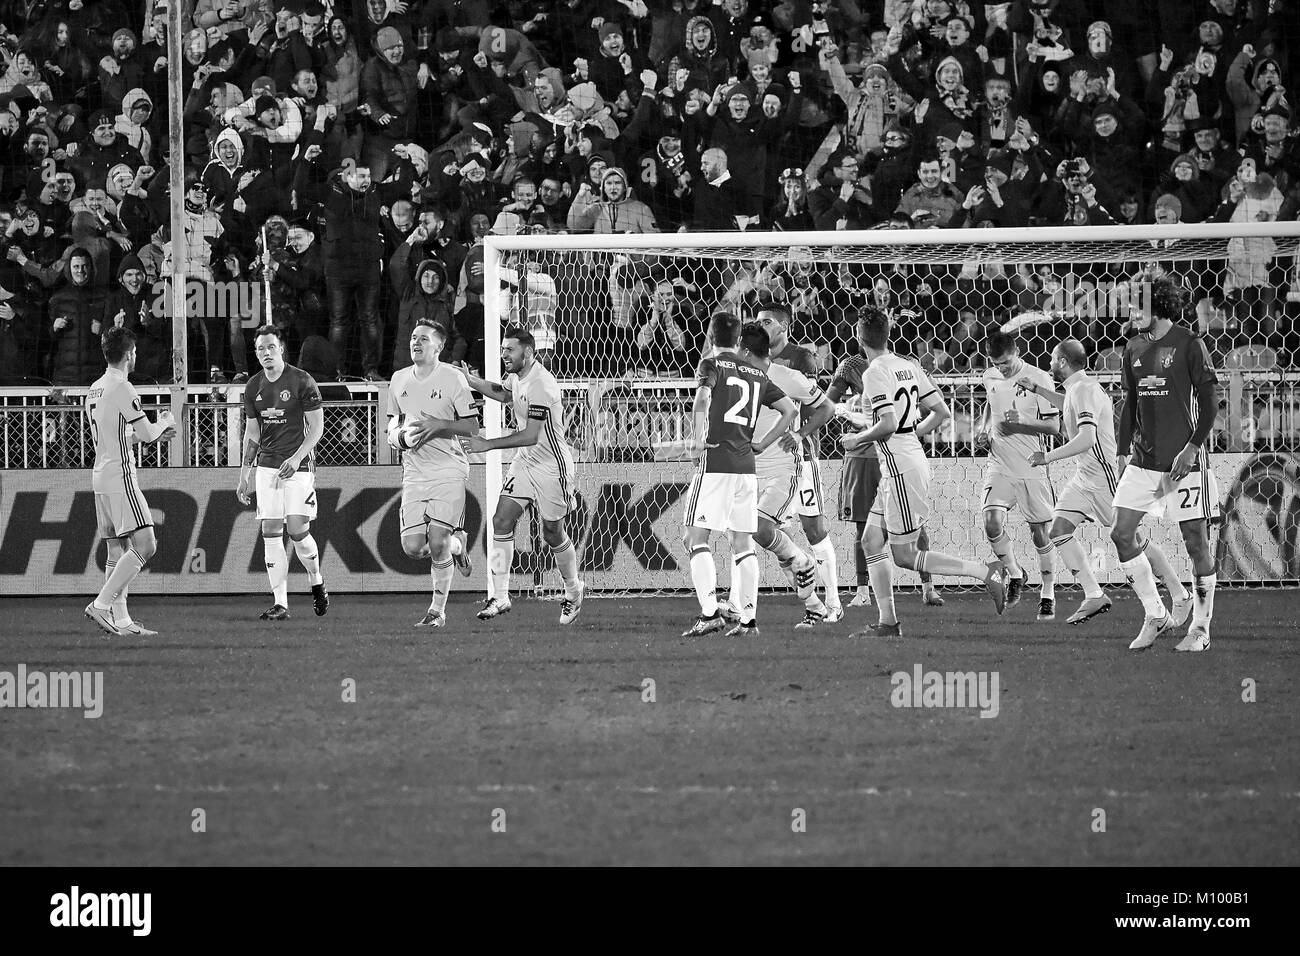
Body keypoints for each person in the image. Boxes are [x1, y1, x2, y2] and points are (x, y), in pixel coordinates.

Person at [842, 308, 1007, 638]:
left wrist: (856, 438)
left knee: (904, 555)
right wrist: (911, 434)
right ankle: (888, 622)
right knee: (871, 540)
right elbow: (941, 412)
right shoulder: (908, 366)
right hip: (902, 462)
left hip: (901, 467)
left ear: (860, 338)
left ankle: (986, 572)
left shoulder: (875, 371)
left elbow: (887, 424)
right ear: (888, 334)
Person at [1025, 338, 1192, 628]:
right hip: (1084, 477)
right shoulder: (1078, 391)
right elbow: (1068, 408)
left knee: (1131, 539)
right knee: (1059, 530)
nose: (1049, 364)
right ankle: (1093, 594)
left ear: (1063, 362)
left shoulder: (1086, 390)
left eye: (1053, 359)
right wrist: (1038, 390)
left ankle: (1179, 593)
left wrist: (1047, 457)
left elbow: (1087, 438)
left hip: (1102, 477)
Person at [1110, 271, 1219, 652]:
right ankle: (1156, 613)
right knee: (1121, 533)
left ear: (1158, 304)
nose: (1129, 309)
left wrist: (1192, 447)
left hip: (1183, 461)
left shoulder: (1189, 344)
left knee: (1195, 543)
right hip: (1143, 460)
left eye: (1136, 303)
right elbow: (1129, 404)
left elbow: (1210, 404)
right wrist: (1123, 451)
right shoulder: (1133, 347)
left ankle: (1201, 629)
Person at [680, 315, 798, 638]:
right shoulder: (758, 374)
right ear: (738, 342)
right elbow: (790, 410)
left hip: (715, 461)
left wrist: (697, 437)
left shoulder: (710, 365)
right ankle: (748, 622)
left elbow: (702, 399)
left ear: (711, 336)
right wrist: (762, 442)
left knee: (694, 538)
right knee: (742, 544)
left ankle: (709, 614)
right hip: (747, 468)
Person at [462, 327, 585, 625]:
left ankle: (573, 590)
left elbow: (530, 435)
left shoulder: (542, 384)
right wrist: (472, 381)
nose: (504, 354)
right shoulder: (518, 376)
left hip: (552, 467)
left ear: (527, 353)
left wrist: (488, 445)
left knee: (552, 533)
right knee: (501, 520)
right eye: (503, 349)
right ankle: (501, 595)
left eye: (510, 350)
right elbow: (505, 394)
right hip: (525, 463)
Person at [826, 350, 944, 610]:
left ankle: (931, 587)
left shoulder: (895, 370)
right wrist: (842, 411)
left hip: (890, 458)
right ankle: (864, 594)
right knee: (864, 532)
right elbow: (828, 404)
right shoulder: (852, 368)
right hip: (862, 459)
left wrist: (857, 429)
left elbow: (892, 421)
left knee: (912, 536)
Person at [754, 304, 843, 625]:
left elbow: (816, 403)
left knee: (813, 527)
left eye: (768, 321)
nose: (761, 325)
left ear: (783, 327)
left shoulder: (801, 359)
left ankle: (833, 602)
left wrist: (801, 433)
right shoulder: (751, 361)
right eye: (758, 321)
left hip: (800, 455)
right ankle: (813, 604)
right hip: (765, 460)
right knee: (774, 531)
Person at [84, 327, 176, 636]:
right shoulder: (123, 387)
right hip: (120, 476)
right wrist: (164, 422)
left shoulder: (95, 388)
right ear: (129, 355)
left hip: (100, 476)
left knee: (117, 550)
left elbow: (119, 436)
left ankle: (121, 621)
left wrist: (151, 432)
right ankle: (100, 605)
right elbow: (149, 435)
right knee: (146, 544)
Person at [387, 320, 477, 627]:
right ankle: (457, 545)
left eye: (423, 339)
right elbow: (393, 424)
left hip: (449, 468)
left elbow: (471, 427)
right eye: (413, 337)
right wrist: (396, 436)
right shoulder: (398, 380)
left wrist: (440, 425)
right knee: (413, 547)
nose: (416, 343)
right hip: (414, 472)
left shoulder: (453, 378)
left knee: (436, 539)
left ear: (438, 346)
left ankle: (437, 611)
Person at [237, 325, 329, 621]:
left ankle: (316, 581)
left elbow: (317, 428)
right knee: (270, 532)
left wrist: (297, 457)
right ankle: (280, 603)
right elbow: (252, 432)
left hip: (299, 467)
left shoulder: (302, 381)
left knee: (297, 531)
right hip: (267, 467)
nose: (266, 353)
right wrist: (244, 473)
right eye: (260, 349)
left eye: (270, 347)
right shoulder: (253, 387)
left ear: (281, 349)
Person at [977, 329, 1060, 619]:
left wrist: (1023, 423)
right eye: (997, 363)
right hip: (999, 462)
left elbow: (1054, 428)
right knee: (991, 522)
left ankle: (1047, 593)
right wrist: (983, 432)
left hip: (1031, 465)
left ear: (1017, 353)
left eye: (1007, 363)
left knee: (1041, 533)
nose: (1002, 368)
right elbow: (990, 407)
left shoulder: (1039, 379)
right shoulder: (990, 376)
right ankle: (1015, 573)